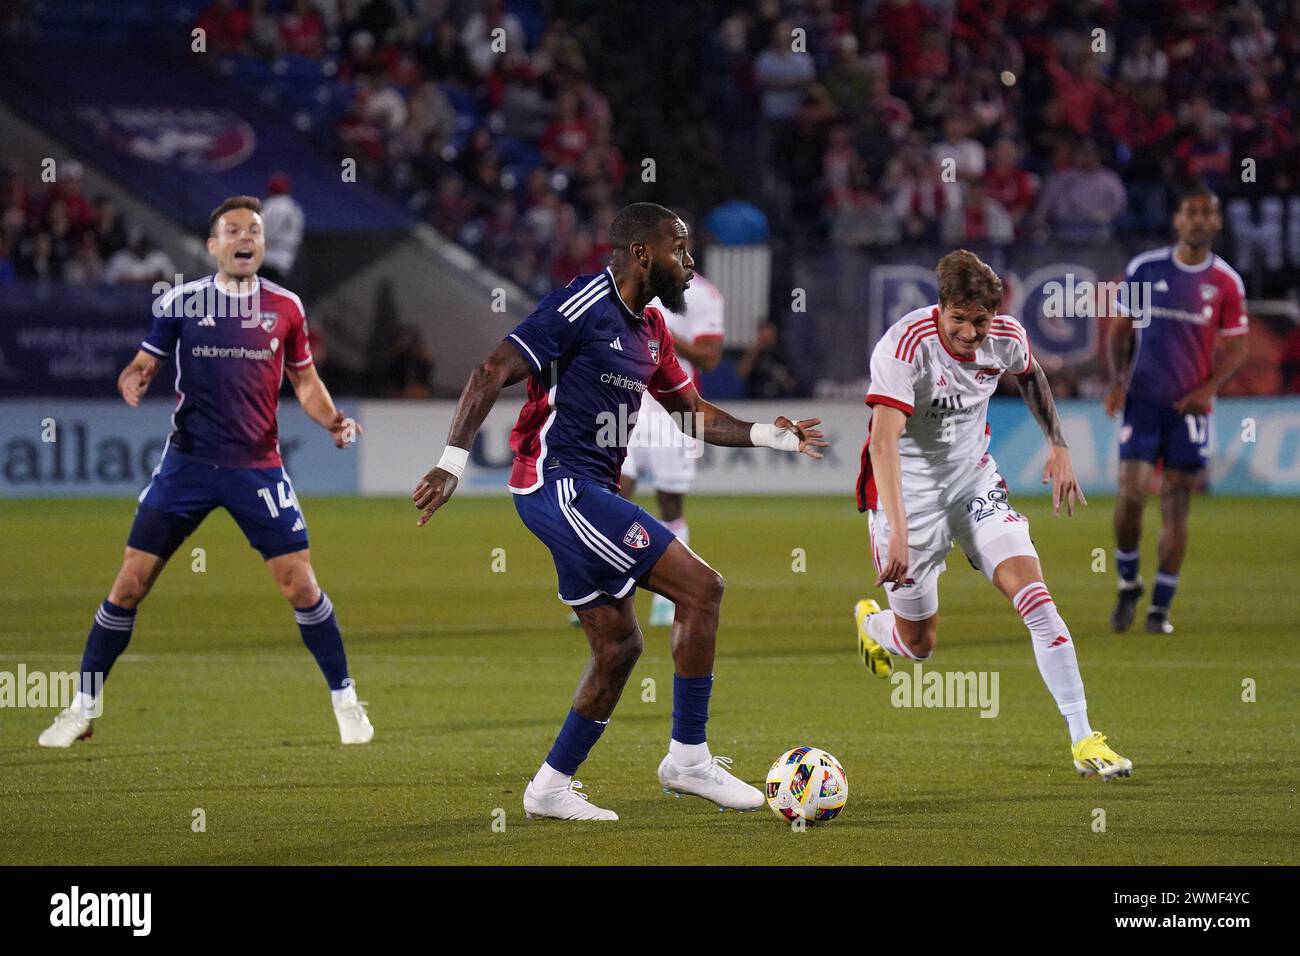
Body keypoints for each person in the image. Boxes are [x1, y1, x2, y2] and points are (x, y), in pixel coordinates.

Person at [412, 203, 827, 820]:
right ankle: (689, 759)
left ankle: (549, 789)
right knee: (702, 588)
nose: (689, 263)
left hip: (585, 491)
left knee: (619, 648)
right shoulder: (581, 304)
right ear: (641, 254)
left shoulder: (652, 327)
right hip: (557, 485)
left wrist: (772, 435)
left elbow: (693, 415)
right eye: (679, 250)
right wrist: (451, 462)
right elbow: (490, 370)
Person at [38, 196, 371, 749]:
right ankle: (82, 707)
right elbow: (145, 360)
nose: (246, 238)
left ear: (262, 244)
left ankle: (345, 699)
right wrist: (133, 375)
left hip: (256, 467)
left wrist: (334, 421)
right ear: (213, 245)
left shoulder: (286, 307)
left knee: (299, 583)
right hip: (187, 465)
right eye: (233, 230)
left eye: (254, 230)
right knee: (129, 583)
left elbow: (305, 381)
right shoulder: (180, 302)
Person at [852, 249, 1133, 781]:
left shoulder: (1006, 336)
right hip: (907, 502)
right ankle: (873, 624)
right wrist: (899, 532)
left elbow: (1031, 375)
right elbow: (883, 443)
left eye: (979, 321)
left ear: (993, 315)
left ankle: (1083, 738)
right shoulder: (903, 347)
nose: (969, 333)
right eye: (958, 319)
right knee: (919, 646)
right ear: (941, 308)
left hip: (974, 485)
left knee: (1036, 600)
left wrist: (1058, 443)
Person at [1104, 186, 1249, 634]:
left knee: (1177, 503)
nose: (1200, 219)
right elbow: (1119, 331)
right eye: (1192, 212)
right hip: (1143, 401)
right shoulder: (1145, 269)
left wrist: (1208, 389)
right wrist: (1118, 381)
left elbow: (1237, 347)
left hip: (1190, 410)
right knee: (1130, 495)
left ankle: (1159, 609)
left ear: (1218, 223)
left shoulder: (1226, 282)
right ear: (1178, 219)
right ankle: (1128, 582)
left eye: (1208, 212)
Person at [618, 267, 725, 627]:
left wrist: (661, 333)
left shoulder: (702, 295)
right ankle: (606, 590)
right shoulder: (626, 282)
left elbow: (710, 357)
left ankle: (669, 597)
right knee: (609, 496)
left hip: (673, 408)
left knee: (669, 502)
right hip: (626, 402)